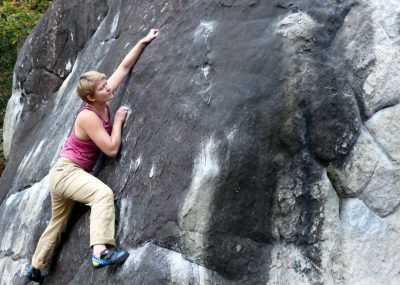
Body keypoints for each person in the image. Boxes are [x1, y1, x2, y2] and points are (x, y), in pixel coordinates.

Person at [25, 28, 159, 284]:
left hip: (64, 174)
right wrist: (118, 121)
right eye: (102, 87)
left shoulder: (102, 100)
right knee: (102, 195)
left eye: (106, 83)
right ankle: (100, 252)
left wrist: (142, 41)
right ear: (90, 96)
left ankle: (35, 267)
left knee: (58, 222)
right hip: (68, 173)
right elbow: (110, 149)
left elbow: (123, 67)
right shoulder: (88, 115)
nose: (109, 88)